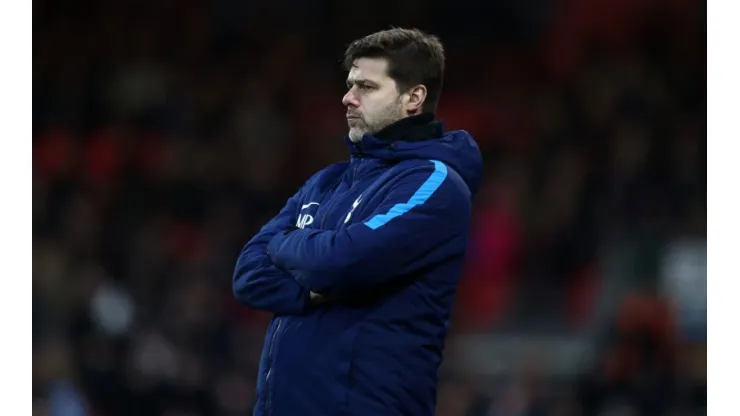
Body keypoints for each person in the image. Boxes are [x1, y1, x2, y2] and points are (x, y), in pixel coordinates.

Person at [232, 28, 483, 416]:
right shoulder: (326, 181)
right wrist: (311, 288)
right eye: (350, 85)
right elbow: (248, 275)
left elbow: (341, 261)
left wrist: (286, 245)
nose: (347, 98)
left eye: (366, 86)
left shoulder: (434, 183)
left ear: (413, 98)